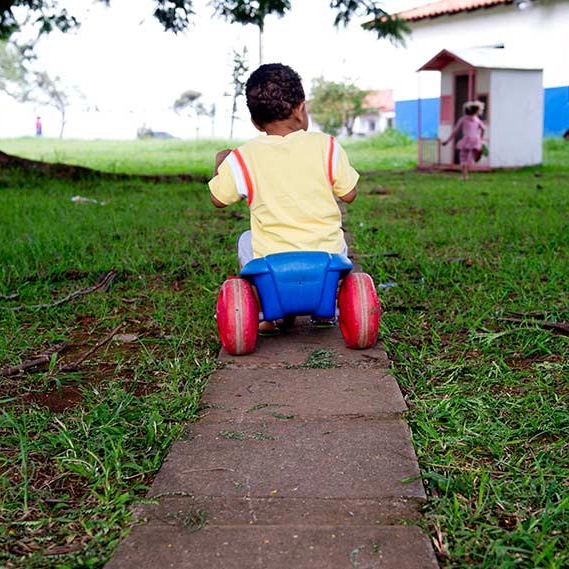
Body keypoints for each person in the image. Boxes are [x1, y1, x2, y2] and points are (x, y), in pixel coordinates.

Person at [209, 62, 359, 334]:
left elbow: (219, 198)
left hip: (272, 263)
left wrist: (221, 165)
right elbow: (349, 194)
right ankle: (326, 309)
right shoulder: (327, 146)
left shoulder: (244, 157)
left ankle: (269, 312)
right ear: (301, 108)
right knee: (338, 237)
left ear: (255, 122)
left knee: (245, 240)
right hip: (326, 258)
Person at [442, 100, 486, 181]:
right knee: (472, 155)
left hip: (467, 140)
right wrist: (481, 139)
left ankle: (465, 176)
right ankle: (476, 152)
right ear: (475, 111)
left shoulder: (463, 119)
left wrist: (447, 141)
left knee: (463, 158)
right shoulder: (477, 119)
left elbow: (455, 131)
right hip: (476, 140)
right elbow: (483, 129)